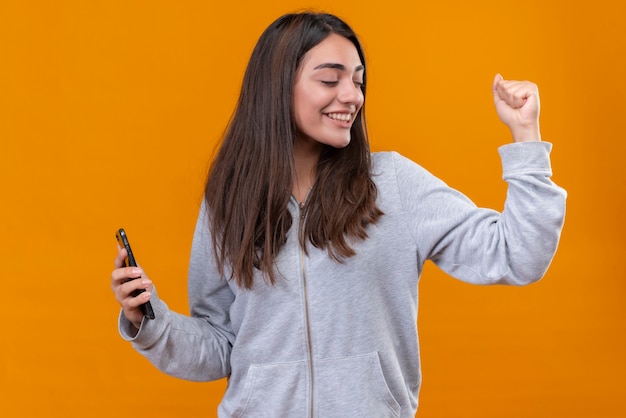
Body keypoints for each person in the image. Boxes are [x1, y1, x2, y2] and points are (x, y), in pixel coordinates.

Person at [111, 11, 566, 418]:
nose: (352, 95)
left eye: (358, 80)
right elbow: (220, 345)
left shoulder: (393, 185)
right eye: (331, 80)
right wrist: (148, 322)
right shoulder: (230, 201)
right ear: (276, 86)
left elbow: (517, 254)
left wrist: (526, 136)